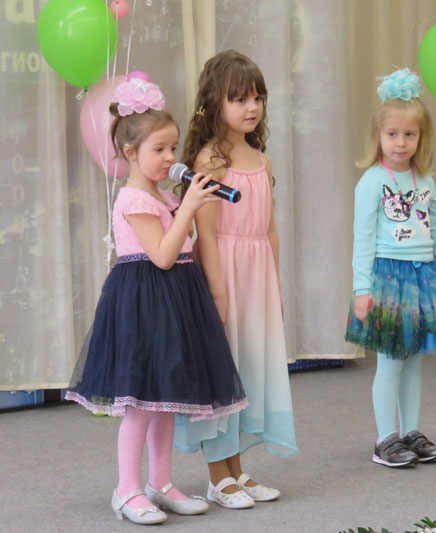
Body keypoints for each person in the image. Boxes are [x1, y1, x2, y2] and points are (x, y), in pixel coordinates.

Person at [66, 74, 248, 525]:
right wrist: (189, 208)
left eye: (173, 147)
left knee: (167, 400)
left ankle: (161, 482)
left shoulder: (163, 195)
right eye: (159, 149)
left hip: (174, 300)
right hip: (144, 302)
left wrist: (186, 208)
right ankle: (126, 489)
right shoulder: (133, 199)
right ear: (130, 153)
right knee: (142, 404)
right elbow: (162, 256)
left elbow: (183, 247)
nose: (170, 157)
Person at [174, 50, 298, 509]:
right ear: (215, 102)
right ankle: (216, 475)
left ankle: (236, 469)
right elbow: (205, 234)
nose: (252, 107)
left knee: (247, 370)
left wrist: (275, 287)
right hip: (223, 274)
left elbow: (269, 230)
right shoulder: (210, 161)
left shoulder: (262, 160)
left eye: (257, 98)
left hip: (257, 277)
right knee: (220, 372)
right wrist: (217, 292)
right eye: (240, 99)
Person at [345, 68, 436, 468]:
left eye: (410, 134)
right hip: (388, 281)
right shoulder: (372, 182)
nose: (401, 142)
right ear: (378, 136)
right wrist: (362, 289)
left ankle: (410, 431)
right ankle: (385, 439)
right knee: (391, 362)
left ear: (421, 137)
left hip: (423, 279)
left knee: (413, 363)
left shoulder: (425, 181)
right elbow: (362, 240)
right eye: (392, 134)